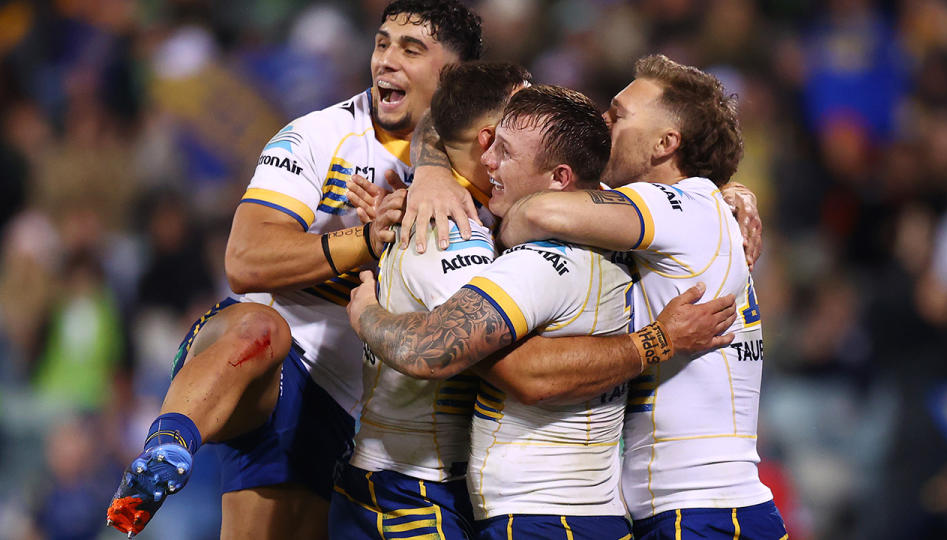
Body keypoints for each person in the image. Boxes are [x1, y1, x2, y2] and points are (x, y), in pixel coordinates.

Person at [105, 2, 483, 538]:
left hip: (367, 417)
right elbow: (244, 260)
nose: (386, 61)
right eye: (381, 43)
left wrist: (436, 171)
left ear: (456, 75)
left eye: (411, 49)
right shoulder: (319, 135)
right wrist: (366, 240)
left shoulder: (490, 159)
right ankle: (167, 449)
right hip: (274, 367)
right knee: (264, 329)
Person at [332, 63, 737, 540]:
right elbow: (439, 121)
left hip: (530, 514)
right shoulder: (460, 226)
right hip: (447, 492)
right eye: (491, 142)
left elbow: (475, 359)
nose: (490, 161)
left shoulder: (538, 254)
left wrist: (366, 314)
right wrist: (431, 170)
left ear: (560, 176)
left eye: (505, 150)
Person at [496, 54, 788, 539]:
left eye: (618, 113)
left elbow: (537, 212)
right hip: (712, 508)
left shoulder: (677, 205)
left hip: (701, 514)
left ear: (665, 143)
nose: (603, 122)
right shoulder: (701, 210)